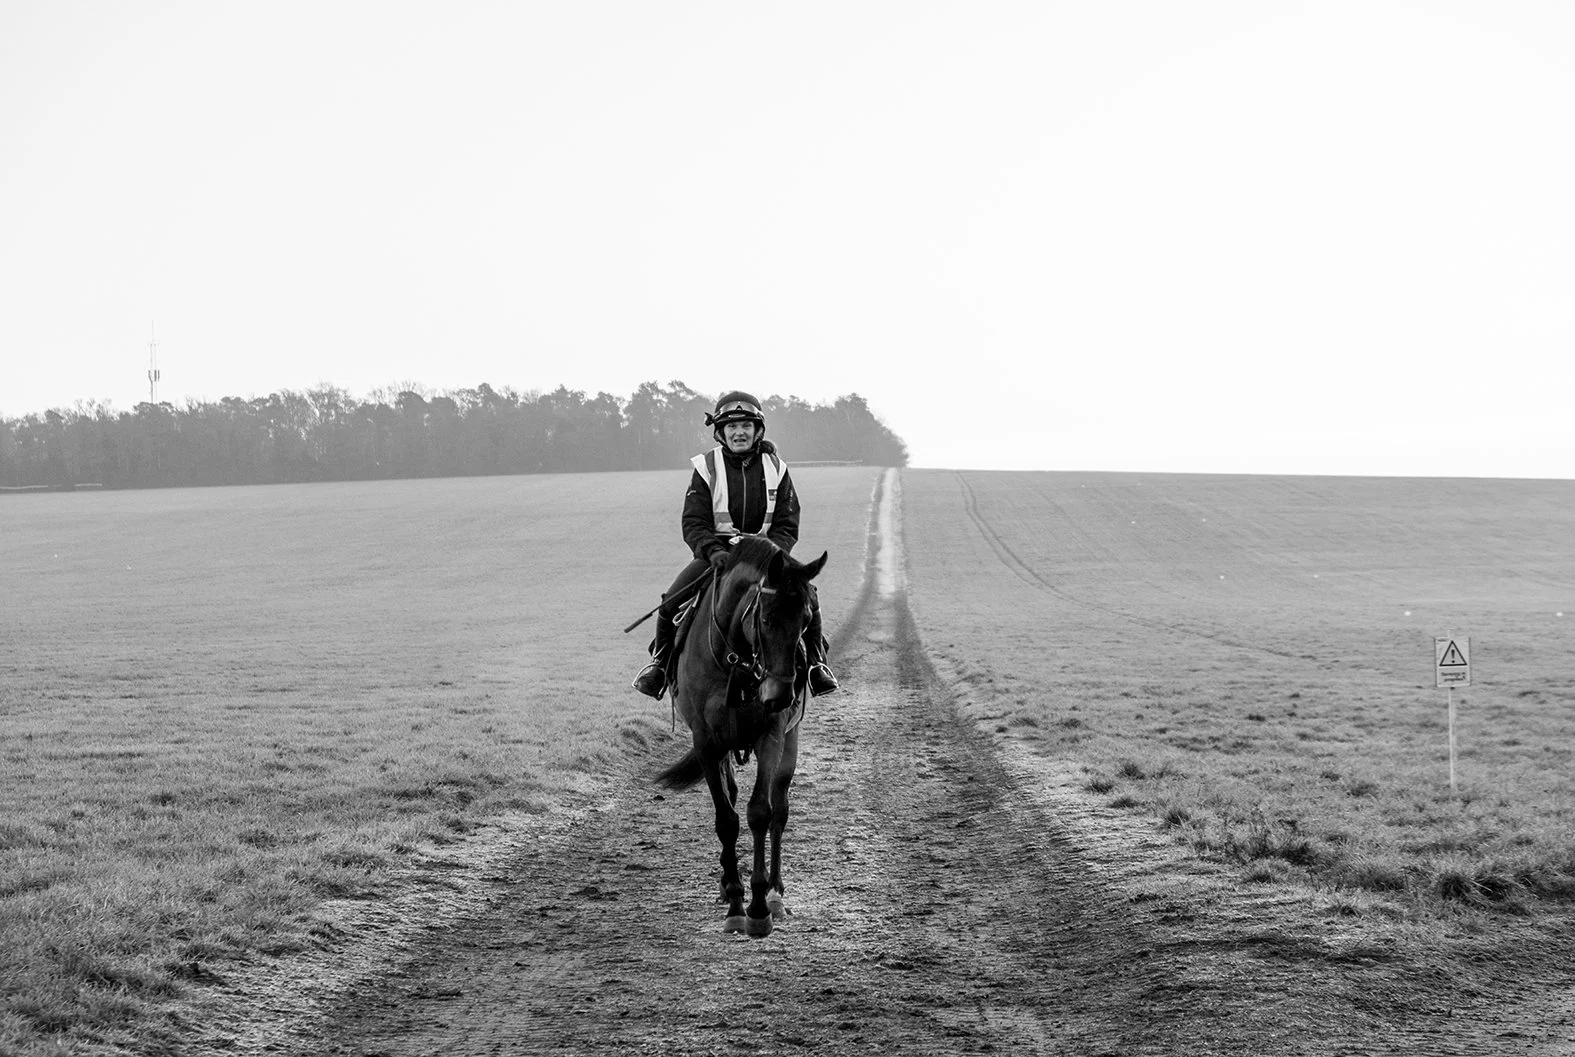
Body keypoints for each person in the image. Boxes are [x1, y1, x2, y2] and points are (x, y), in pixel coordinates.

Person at [632, 391, 839, 701]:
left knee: (808, 596)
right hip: (720, 556)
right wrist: (712, 551)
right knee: (670, 602)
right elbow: (694, 522)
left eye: (745, 426)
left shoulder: (777, 468)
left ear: (757, 431)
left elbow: (787, 521)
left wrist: (772, 554)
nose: (739, 432)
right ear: (721, 432)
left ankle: (816, 665)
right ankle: (659, 666)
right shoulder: (705, 467)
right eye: (731, 427)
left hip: (768, 559)